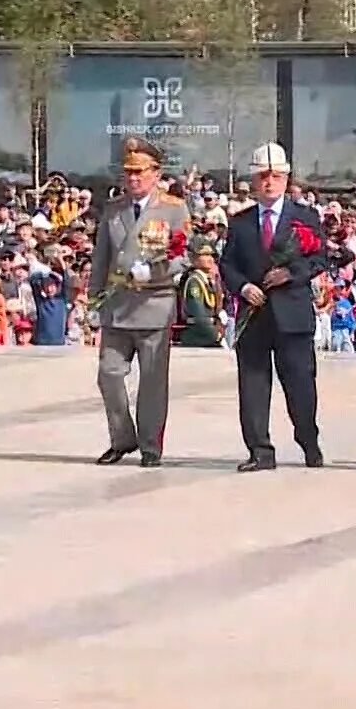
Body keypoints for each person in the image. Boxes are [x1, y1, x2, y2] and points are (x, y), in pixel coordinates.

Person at [218, 143, 327, 471]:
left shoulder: (304, 217)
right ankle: (259, 450)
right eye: (263, 176)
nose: (269, 182)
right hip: (254, 316)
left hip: (292, 315)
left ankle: (308, 440)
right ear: (253, 180)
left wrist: (292, 274)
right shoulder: (240, 222)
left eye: (276, 176)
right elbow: (227, 265)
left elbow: (319, 259)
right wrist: (243, 287)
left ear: (286, 178)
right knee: (252, 384)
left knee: (300, 384)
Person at [87, 137, 190, 468]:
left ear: (156, 173)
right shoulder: (114, 209)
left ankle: (150, 445)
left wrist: (157, 270)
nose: (133, 178)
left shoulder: (173, 209)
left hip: (154, 304)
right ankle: (121, 437)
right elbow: (101, 257)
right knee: (109, 374)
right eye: (128, 172)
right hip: (117, 305)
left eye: (139, 172)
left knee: (152, 384)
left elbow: (183, 256)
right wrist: (93, 300)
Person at [175, 239, 223, 348]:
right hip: (198, 334)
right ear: (194, 259)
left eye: (211, 255)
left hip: (208, 333)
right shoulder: (194, 282)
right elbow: (198, 313)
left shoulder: (207, 281)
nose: (210, 259)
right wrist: (214, 334)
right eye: (205, 255)